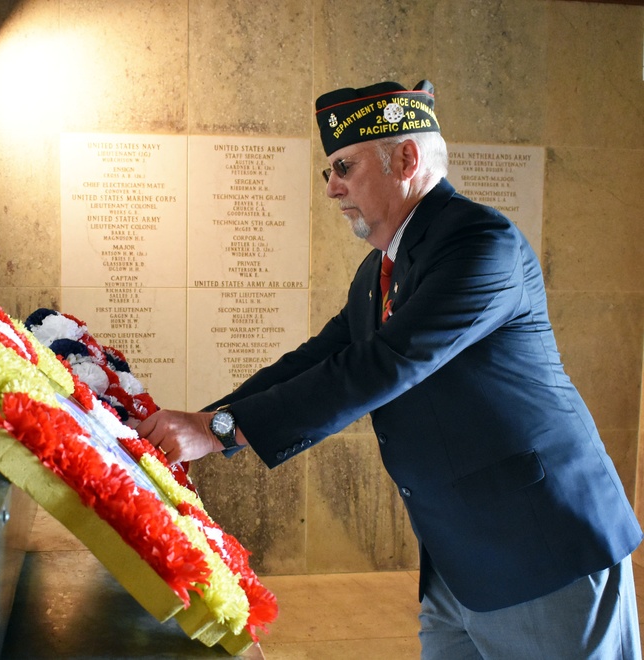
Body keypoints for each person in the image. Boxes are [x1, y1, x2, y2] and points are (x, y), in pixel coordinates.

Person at [137, 79, 643, 659]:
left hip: (541, 546)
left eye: (344, 167)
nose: (332, 189)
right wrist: (204, 420)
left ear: (405, 158)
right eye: (329, 172)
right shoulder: (380, 269)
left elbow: (382, 366)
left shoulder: (480, 243)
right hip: (458, 557)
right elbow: (321, 358)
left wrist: (216, 432)